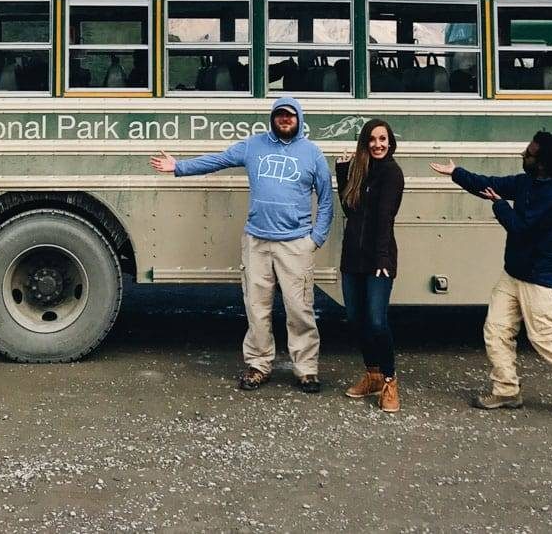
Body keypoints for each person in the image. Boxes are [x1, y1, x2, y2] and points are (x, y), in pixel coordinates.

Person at [150, 96, 334, 393]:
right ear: (272, 118)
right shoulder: (253, 146)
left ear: (299, 119)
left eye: (289, 116)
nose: (284, 120)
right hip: (257, 241)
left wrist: (315, 239)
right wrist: (179, 167)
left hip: (296, 243)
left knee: (300, 308)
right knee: (256, 307)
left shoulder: (312, 153)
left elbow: (326, 199)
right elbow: (219, 160)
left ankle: (306, 369)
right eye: (279, 115)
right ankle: (259, 364)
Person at [430, 131, 552, 420]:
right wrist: (456, 173)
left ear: (543, 162)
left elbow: (521, 229)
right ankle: (506, 389)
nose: (523, 155)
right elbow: (491, 184)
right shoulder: (529, 182)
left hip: (541, 278)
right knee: (496, 328)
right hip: (514, 272)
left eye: (529, 153)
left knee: (545, 338)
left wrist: (500, 205)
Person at [336, 118, 404, 413]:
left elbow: (384, 219)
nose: (378, 145)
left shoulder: (391, 173)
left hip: (378, 258)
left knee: (377, 321)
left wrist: (382, 259)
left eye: (383, 139)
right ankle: (373, 374)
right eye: (372, 140)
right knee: (356, 318)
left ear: (390, 143)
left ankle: (390, 380)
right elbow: (349, 210)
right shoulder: (359, 171)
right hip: (353, 257)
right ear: (365, 143)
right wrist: (341, 173)